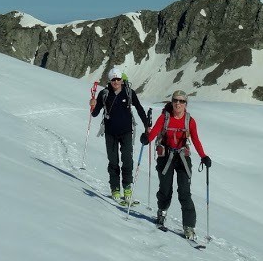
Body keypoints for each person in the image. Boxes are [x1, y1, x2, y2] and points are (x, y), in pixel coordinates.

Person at [141, 90, 212, 241]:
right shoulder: (164, 118)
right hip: (165, 157)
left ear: (186, 104)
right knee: (165, 190)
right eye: (175, 100)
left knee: (184, 193)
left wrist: (203, 156)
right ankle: (162, 212)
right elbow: (154, 132)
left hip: (182, 158)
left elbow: (196, 140)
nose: (178, 104)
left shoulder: (189, 121)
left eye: (181, 101)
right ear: (171, 102)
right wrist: (147, 139)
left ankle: (189, 226)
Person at [90, 67, 150, 204]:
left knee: (127, 160)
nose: (116, 82)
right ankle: (115, 188)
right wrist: (92, 105)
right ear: (110, 81)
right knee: (113, 161)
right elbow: (95, 114)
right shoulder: (104, 94)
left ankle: (127, 187)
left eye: (118, 79)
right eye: (113, 80)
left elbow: (139, 108)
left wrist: (147, 125)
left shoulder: (129, 92)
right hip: (110, 133)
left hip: (126, 132)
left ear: (122, 80)